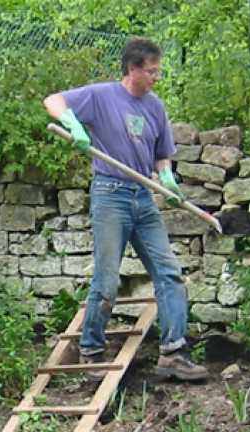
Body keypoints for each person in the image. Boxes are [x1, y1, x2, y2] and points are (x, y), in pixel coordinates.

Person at [43, 37, 208, 382]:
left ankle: (173, 353)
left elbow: (162, 154)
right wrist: (73, 122)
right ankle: (91, 351)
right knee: (107, 279)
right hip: (110, 193)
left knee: (170, 273)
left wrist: (167, 178)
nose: (156, 77)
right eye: (151, 71)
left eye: (158, 71)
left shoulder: (156, 107)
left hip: (144, 197)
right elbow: (53, 101)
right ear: (133, 68)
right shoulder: (101, 96)